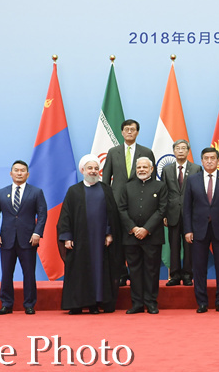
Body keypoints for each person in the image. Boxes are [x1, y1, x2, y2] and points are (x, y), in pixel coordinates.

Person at [58, 155, 122, 315]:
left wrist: (109, 233)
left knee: (98, 271)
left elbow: (112, 214)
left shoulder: (106, 189)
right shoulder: (74, 191)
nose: (93, 171)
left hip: (100, 242)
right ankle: (77, 305)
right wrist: (67, 237)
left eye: (96, 168)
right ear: (83, 170)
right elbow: (65, 216)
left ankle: (95, 304)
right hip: (79, 241)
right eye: (90, 168)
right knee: (79, 271)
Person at [101, 119, 155, 287]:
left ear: (137, 132)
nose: (129, 132)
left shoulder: (146, 152)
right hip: (118, 204)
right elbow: (105, 179)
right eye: (126, 129)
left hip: (140, 203)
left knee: (137, 240)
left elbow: (152, 180)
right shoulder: (113, 152)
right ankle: (122, 274)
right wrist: (107, 201)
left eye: (133, 129)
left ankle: (139, 275)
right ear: (122, 132)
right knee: (118, 241)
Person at [0, 160, 47, 315]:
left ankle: (29, 304)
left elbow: (42, 215)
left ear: (27, 174)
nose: (19, 173)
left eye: (22, 170)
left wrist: (37, 233)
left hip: (29, 240)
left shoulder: (36, 192)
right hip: (6, 240)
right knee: (6, 273)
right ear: (11, 173)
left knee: (29, 273)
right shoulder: (1, 193)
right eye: (16, 170)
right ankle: (6, 304)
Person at [184, 147, 219, 313]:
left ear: (217, 160)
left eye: (212, 158)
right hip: (198, 229)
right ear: (201, 161)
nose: (209, 161)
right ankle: (202, 302)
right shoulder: (192, 180)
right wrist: (188, 230)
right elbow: (187, 208)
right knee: (199, 268)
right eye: (206, 158)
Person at [116, 157, 167, 314]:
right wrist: (133, 228)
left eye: (145, 167)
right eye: (139, 167)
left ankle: (151, 303)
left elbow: (162, 209)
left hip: (152, 236)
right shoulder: (127, 187)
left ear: (151, 169)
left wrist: (146, 229)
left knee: (152, 271)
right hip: (131, 237)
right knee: (135, 271)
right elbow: (121, 209)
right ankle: (137, 303)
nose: (142, 170)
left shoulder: (160, 186)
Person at [162, 139, 200, 287]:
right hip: (172, 213)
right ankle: (175, 275)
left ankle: (188, 275)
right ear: (174, 151)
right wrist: (164, 214)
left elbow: (199, 193)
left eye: (184, 148)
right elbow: (164, 193)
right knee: (174, 246)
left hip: (191, 214)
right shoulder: (167, 170)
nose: (181, 151)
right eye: (178, 148)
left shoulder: (196, 168)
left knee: (189, 246)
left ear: (188, 151)